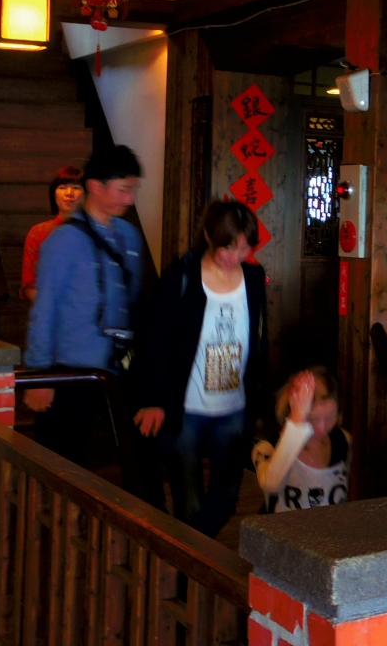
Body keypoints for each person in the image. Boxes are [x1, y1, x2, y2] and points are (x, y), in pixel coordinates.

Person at [132, 201, 267, 538]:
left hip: (234, 409)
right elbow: (154, 340)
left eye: (244, 248)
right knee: (189, 504)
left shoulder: (253, 278)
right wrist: (154, 399)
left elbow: (258, 338)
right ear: (208, 236)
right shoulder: (182, 276)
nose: (235, 256)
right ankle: (189, 566)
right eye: (228, 247)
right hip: (185, 410)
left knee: (227, 499)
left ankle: (189, 554)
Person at [24, 146, 144, 466]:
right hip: (71, 373)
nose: (130, 199)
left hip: (118, 368)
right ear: (95, 186)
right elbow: (45, 309)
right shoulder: (63, 240)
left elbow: (134, 302)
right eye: (124, 189)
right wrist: (41, 377)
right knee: (61, 461)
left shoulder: (130, 236)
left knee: (128, 459)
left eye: (133, 190)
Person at [253, 367, 350, 512]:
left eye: (330, 418)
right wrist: (297, 418)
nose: (321, 428)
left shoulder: (343, 440)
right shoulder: (267, 448)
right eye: (312, 419)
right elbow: (271, 484)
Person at [20, 167, 85, 303]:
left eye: (76, 187)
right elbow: (29, 285)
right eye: (62, 187)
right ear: (53, 194)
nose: (69, 193)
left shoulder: (96, 232)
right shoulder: (38, 232)